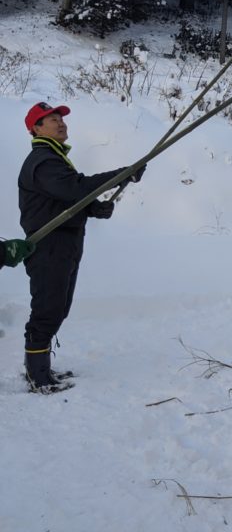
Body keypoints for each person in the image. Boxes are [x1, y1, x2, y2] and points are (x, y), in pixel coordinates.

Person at [18, 102, 145, 393]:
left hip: (65, 242)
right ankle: (38, 377)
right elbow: (75, 188)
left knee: (59, 307)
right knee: (48, 310)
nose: (60, 123)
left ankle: (41, 369)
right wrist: (123, 173)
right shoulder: (43, 160)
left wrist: (92, 210)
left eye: (60, 119)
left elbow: (64, 199)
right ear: (36, 129)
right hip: (49, 244)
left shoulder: (53, 157)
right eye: (51, 120)